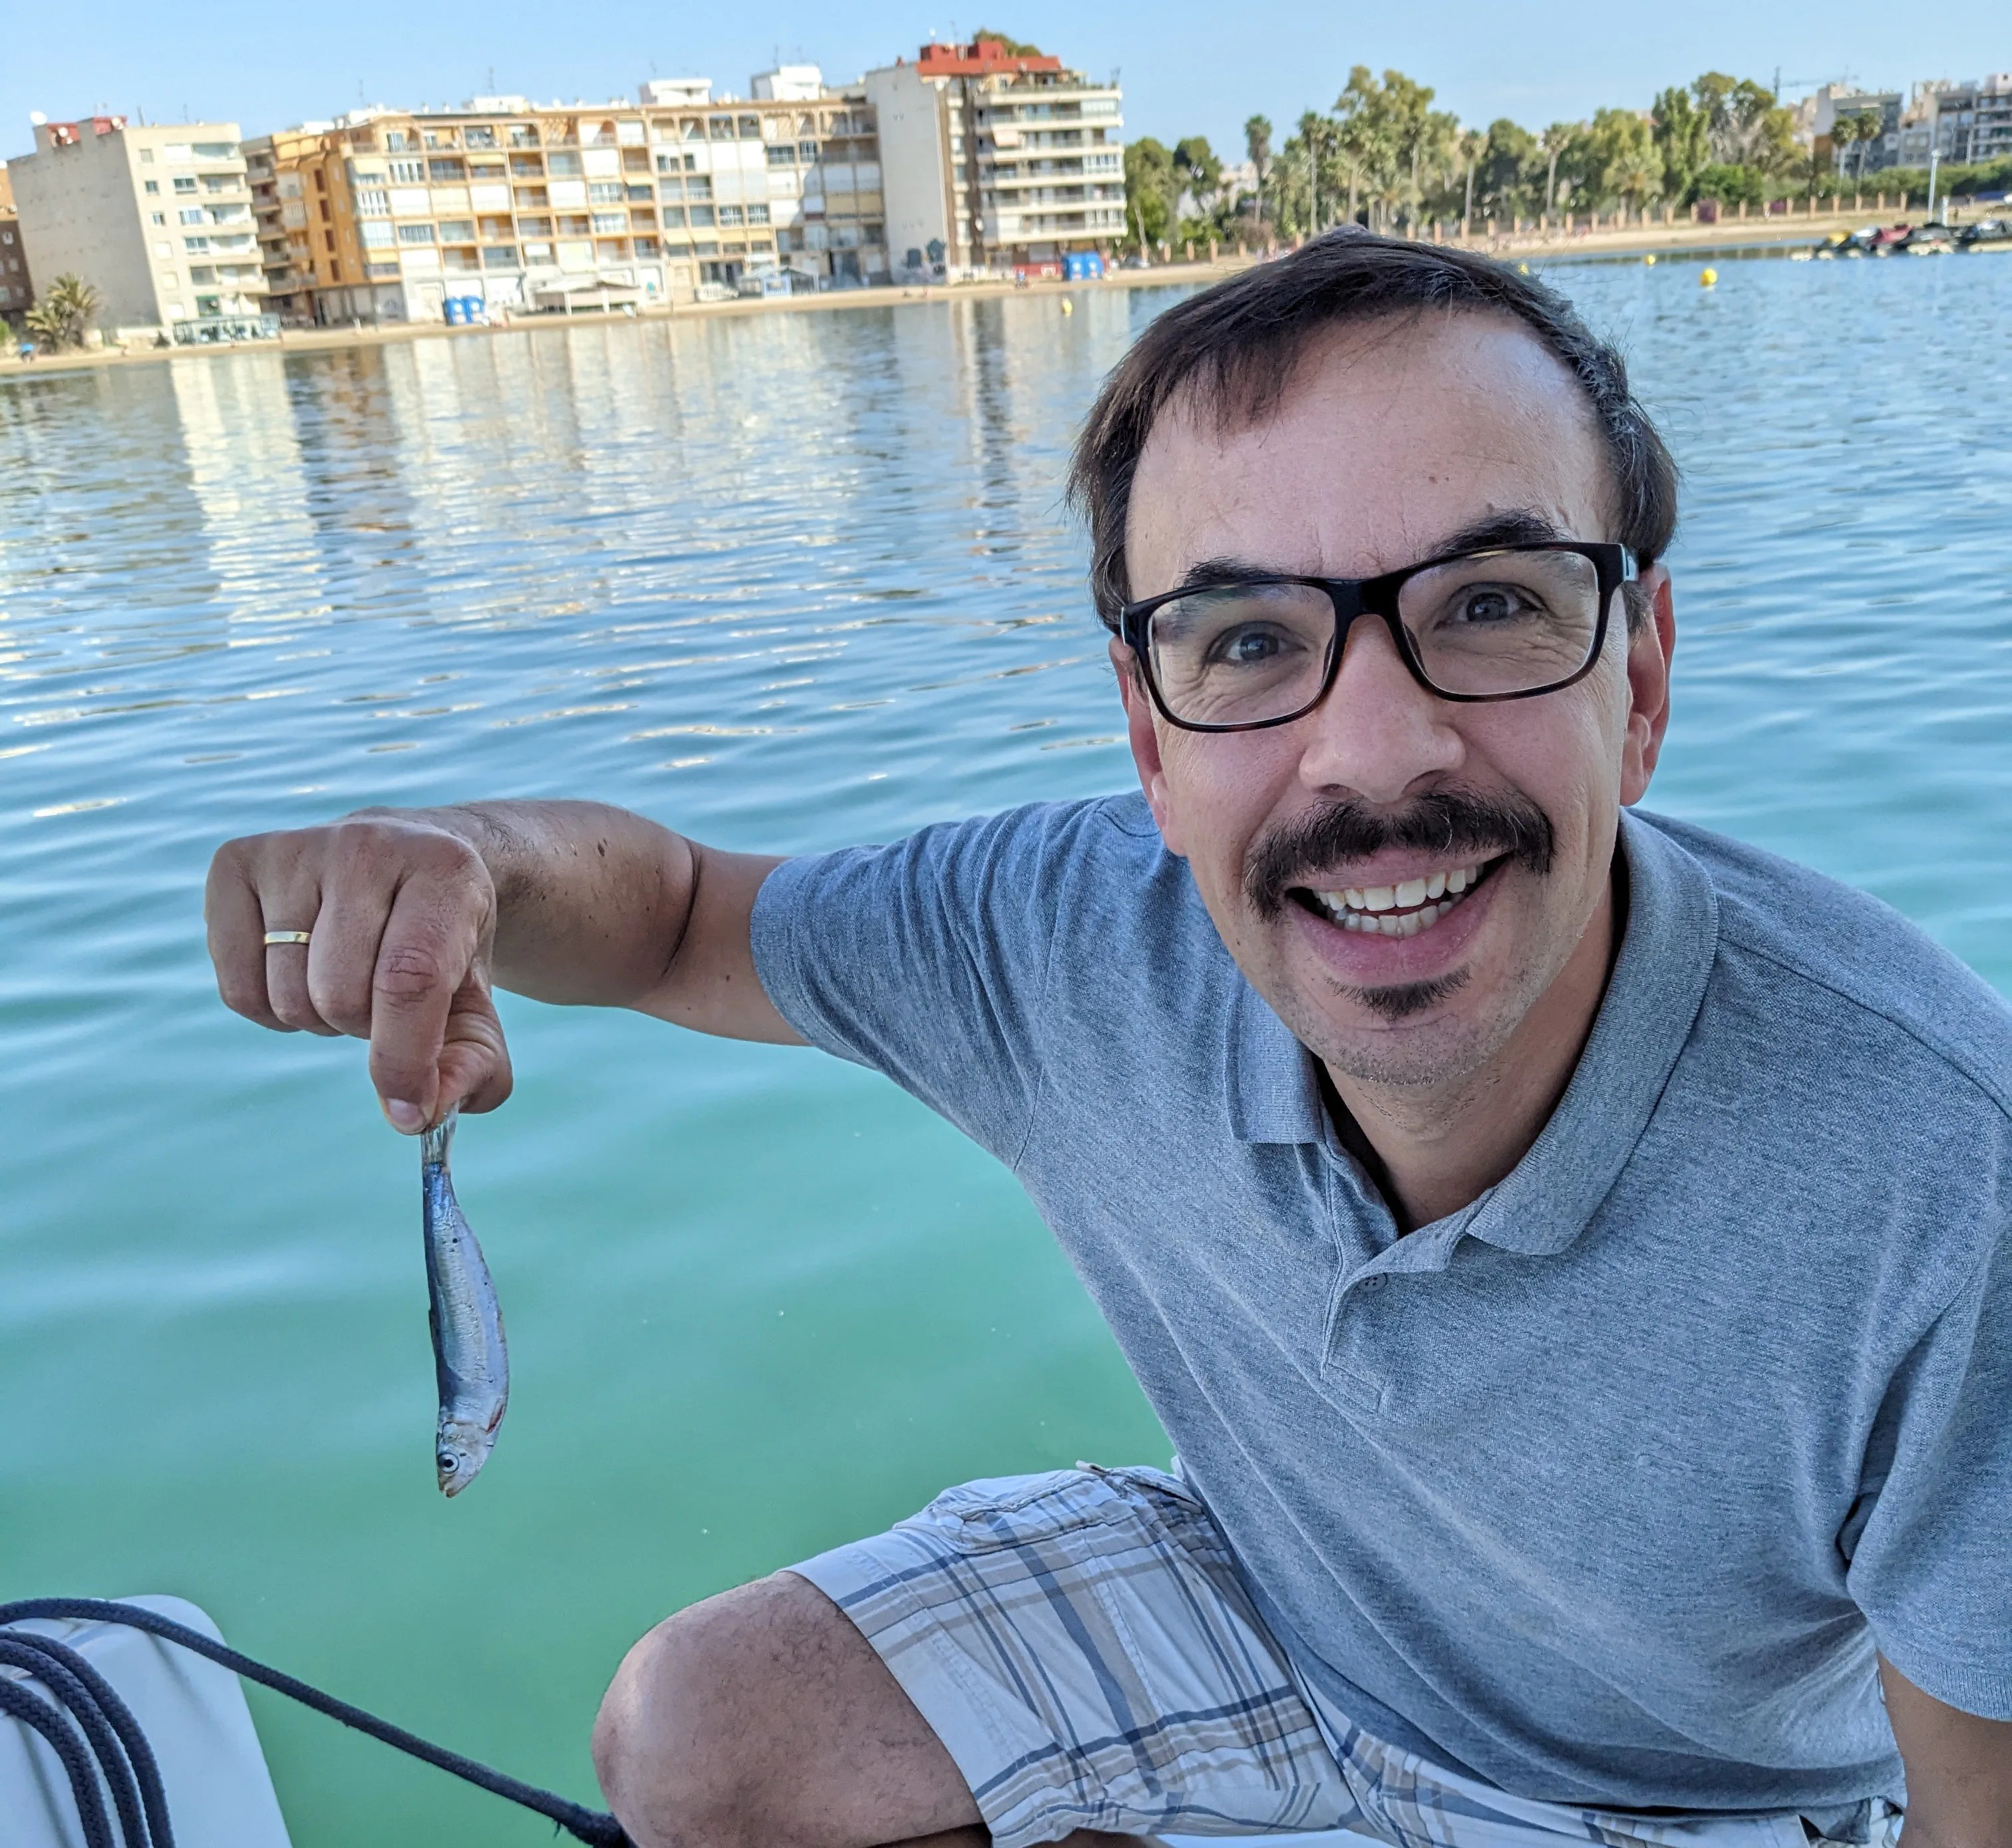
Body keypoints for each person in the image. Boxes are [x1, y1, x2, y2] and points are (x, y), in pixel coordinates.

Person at [204, 234, 2012, 1848]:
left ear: (1642, 673)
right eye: (1244, 640)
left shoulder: (1940, 1169)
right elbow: (678, 914)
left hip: (1684, 1802)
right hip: (1283, 1612)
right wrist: (476, 872)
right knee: (704, 1733)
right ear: (1148, 744)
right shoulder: (1069, 942)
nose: (1373, 756)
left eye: (1491, 604)